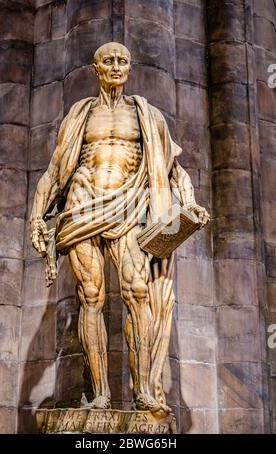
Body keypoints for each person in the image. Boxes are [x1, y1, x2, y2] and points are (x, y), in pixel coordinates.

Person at [30, 42, 209, 414]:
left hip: (128, 203)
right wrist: (36, 215)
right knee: (91, 297)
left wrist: (189, 202)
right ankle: (99, 394)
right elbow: (53, 171)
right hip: (82, 202)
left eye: (122, 61)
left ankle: (144, 390)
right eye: (108, 61)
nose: (116, 66)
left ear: (129, 68)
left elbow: (172, 169)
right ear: (96, 68)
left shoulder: (146, 114)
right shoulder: (80, 115)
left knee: (138, 292)